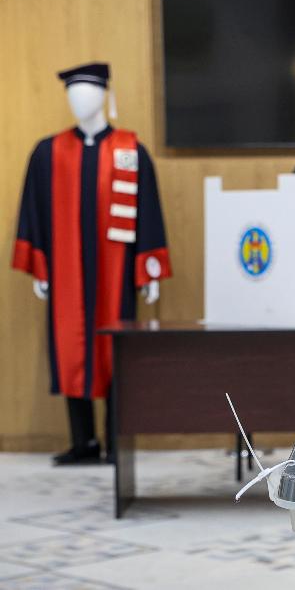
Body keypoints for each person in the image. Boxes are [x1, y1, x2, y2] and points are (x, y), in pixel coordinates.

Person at [12, 62, 171, 465]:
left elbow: (147, 213)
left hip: (114, 276)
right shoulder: (48, 152)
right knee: (70, 349)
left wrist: (147, 269)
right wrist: (40, 265)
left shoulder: (130, 152)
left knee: (113, 350)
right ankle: (83, 441)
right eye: (72, 93)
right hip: (65, 275)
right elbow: (34, 211)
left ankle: (117, 441)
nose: (79, 100)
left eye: (87, 92)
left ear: (104, 95)